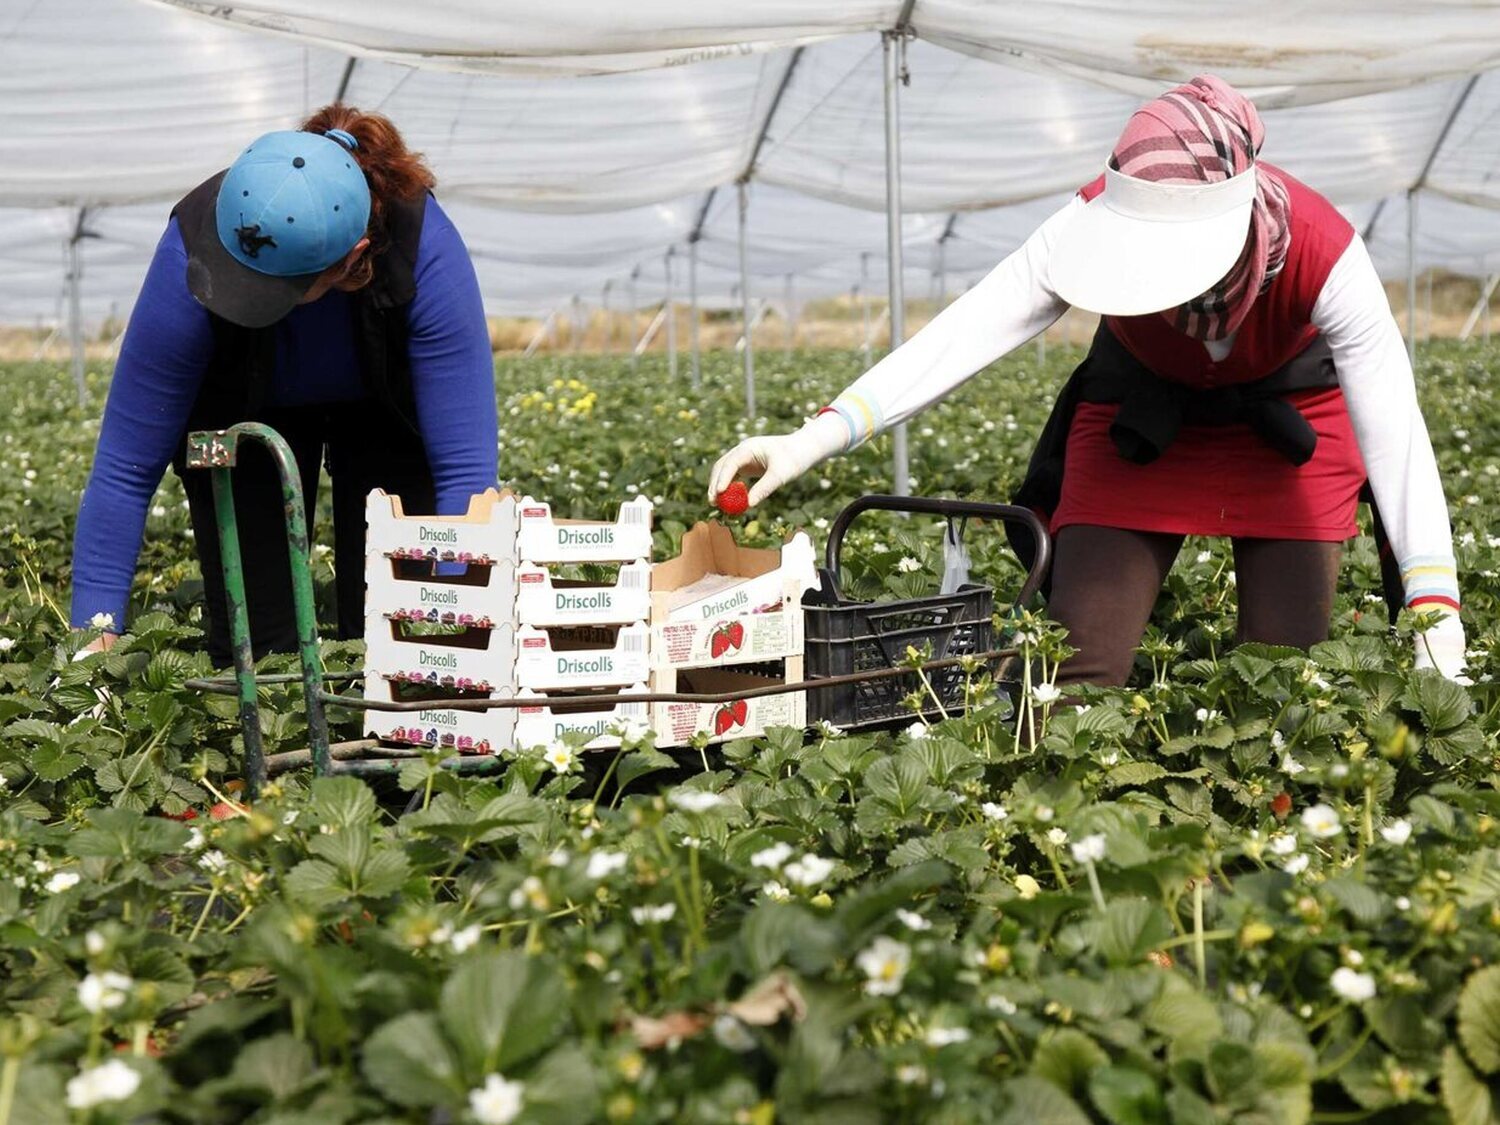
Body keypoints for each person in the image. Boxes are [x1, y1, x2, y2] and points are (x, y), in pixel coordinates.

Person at [710, 75, 1466, 684]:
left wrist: (1439, 612)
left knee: (1284, 678)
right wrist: (809, 439)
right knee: (1080, 668)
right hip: (1144, 419)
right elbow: (961, 335)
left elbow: (1399, 443)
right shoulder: (1082, 225)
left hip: (1289, 424)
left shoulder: (1327, 252)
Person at [70, 106, 499, 664]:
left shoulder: (425, 251)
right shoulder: (193, 245)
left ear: (352, 260)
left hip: (384, 416)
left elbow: (465, 473)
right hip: (242, 413)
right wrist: (91, 652)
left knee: (397, 625)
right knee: (256, 642)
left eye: (276, 288)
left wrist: (458, 636)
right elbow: (124, 471)